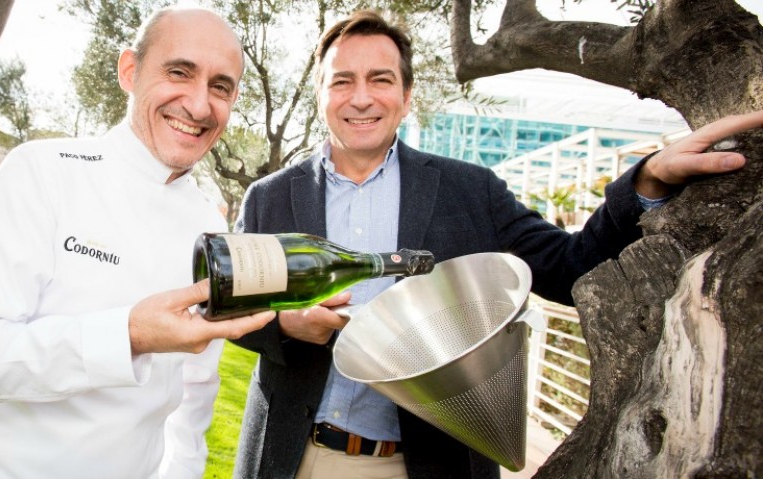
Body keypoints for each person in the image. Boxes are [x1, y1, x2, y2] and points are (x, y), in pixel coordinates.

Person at [229, 9, 763, 479]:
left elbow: (570, 267)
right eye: (342, 81)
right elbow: (233, 312)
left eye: (381, 79)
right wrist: (286, 326)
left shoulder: (471, 191)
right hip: (296, 457)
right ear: (321, 94)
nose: (362, 97)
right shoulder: (270, 198)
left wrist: (646, 181)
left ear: (407, 96)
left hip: (429, 464)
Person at [0, 7, 275, 479]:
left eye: (220, 87)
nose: (199, 105)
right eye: (178, 72)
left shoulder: (210, 225)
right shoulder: (41, 173)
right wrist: (127, 336)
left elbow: (194, 390)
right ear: (129, 70)